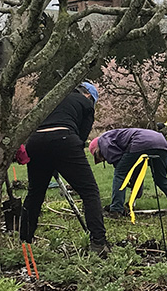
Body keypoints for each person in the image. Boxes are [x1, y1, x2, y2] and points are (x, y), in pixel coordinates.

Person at [20, 82, 109, 257]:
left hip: (35, 141)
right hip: (64, 138)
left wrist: (50, 162)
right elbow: (81, 137)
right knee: (89, 191)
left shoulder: (51, 97)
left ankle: (25, 241)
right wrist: (60, 160)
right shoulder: (86, 104)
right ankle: (98, 243)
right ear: (89, 96)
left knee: (35, 193)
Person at [89, 127, 167, 217]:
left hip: (140, 143)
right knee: (161, 179)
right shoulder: (116, 137)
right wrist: (134, 196)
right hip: (161, 142)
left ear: (97, 151)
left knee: (120, 175)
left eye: (100, 158)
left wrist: (123, 173)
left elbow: (119, 164)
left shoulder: (103, 140)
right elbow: (137, 174)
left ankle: (116, 210)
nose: (103, 160)